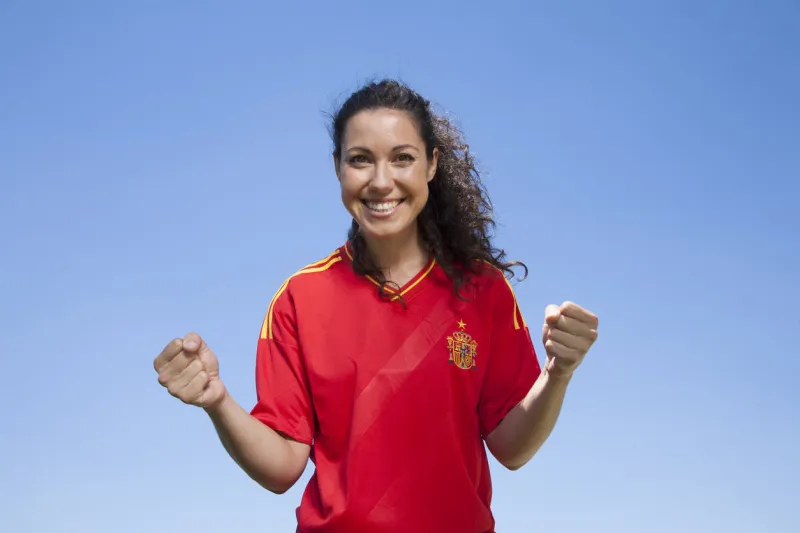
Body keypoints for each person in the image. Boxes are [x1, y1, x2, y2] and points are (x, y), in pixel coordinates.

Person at [153, 79, 599, 533]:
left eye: (402, 158)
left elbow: (512, 448)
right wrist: (217, 401)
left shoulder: (483, 290)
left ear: (431, 164)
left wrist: (558, 372)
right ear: (337, 168)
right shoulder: (298, 299)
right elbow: (282, 467)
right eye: (360, 160)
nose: (381, 182)